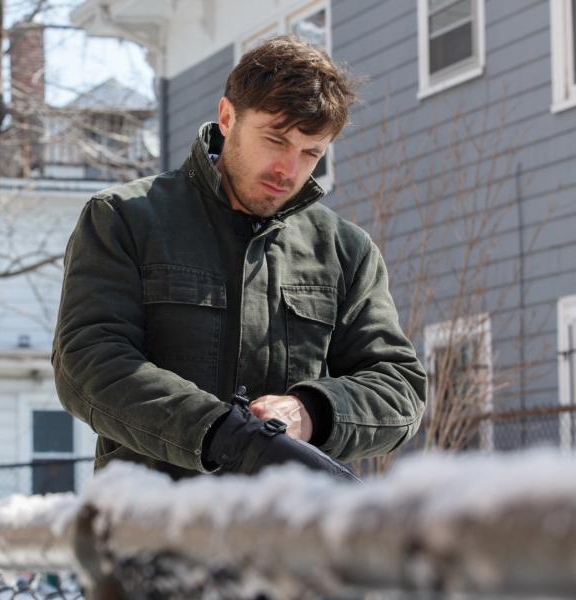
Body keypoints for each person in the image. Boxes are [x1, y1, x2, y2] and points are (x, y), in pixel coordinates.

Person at [51, 36, 426, 481]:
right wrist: (222, 434)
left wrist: (309, 411)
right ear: (228, 117)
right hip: (150, 516)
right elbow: (88, 361)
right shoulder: (125, 219)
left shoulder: (345, 250)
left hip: (282, 520)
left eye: (311, 153)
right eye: (275, 140)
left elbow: (398, 387)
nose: (288, 169)